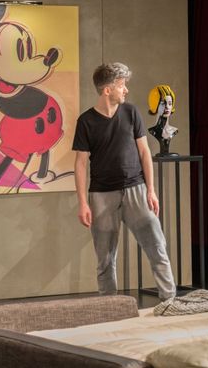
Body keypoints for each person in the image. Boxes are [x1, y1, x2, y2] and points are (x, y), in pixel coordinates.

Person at [72, 62, 176, 301]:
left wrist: (151, 190)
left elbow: (144, 152)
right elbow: (80, 164)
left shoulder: (131, 112)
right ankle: (109, 305)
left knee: (157, 247)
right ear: (107, 89)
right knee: (105, 258)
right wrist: (83, 203)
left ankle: (169, 300)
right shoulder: (86, 121)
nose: (126, 90)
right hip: (101, 196)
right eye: (122, 85)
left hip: (136, 190)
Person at [147, 85, 178, 156]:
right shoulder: (153, 131)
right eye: (163, 103)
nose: (167, 107)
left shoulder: (173, 131)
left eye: (170, 103)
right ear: (155, 104)